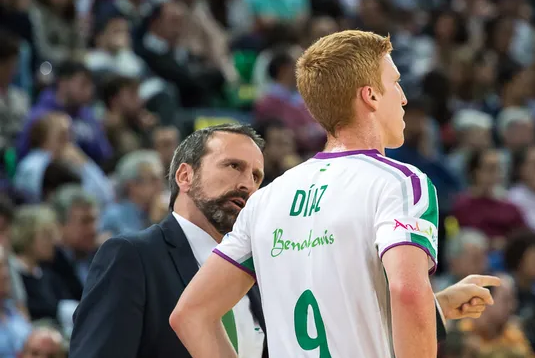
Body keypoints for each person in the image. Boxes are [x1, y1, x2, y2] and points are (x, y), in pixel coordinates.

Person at [171, 30, 500, 357]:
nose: (403, 98)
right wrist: (424, 305)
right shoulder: (400, 183)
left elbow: (190, 315)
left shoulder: (265, 200)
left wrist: (437, 306)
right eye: (396, 83)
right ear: (370, 96)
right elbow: (407, 292)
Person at [69, 124, 268, 358]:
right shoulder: (132, 256)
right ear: (185, 176)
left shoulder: (254, 274)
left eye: (256, 177)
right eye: (234, 166)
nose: (248, 185)